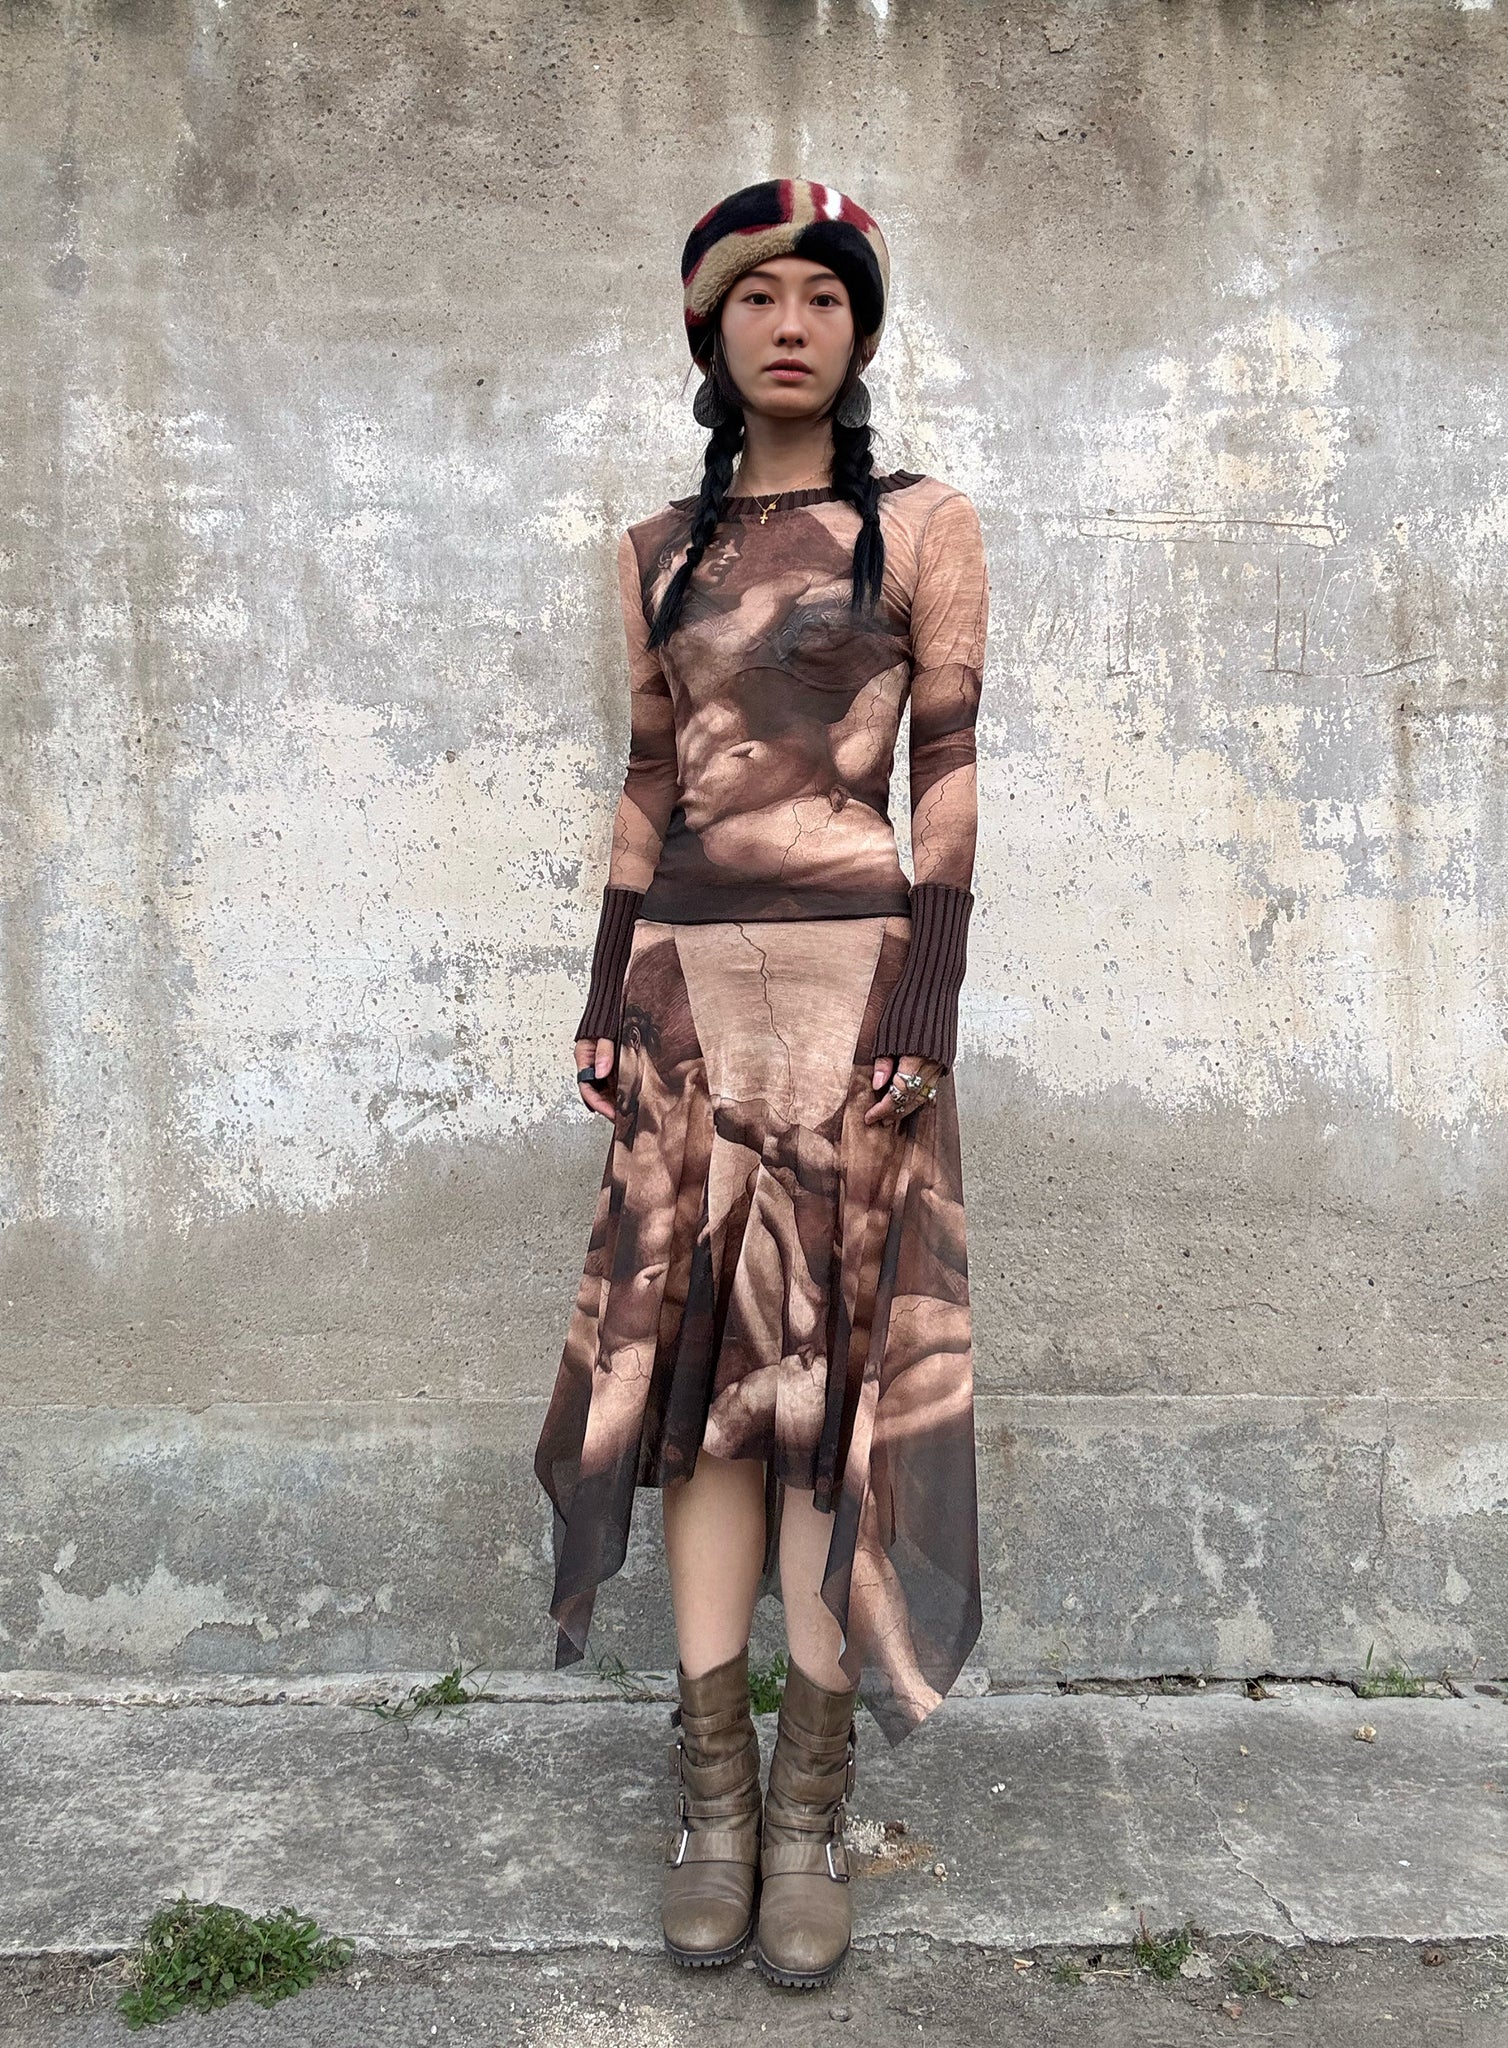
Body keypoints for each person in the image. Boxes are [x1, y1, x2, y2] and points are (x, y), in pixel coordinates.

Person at [533, 176, 989, 1992]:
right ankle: (713, 1802)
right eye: (758, 297)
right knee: (704, 1400)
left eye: (824, 297)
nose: (791, 323)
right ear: (710, 329)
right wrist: (604, 996)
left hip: (857, 1005)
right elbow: (649, 779)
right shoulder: (656, 549)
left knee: (831, 1394)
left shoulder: (925, 526)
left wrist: (925, 1007)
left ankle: (810, 1810)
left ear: (859, 332)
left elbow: (946, 777)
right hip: (690, 1003)